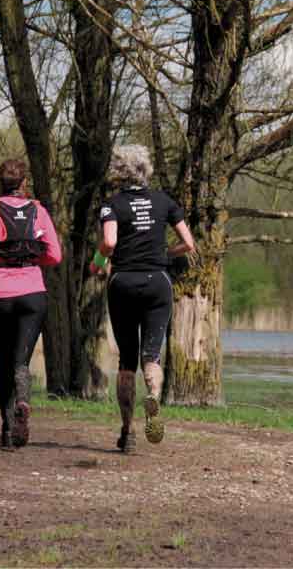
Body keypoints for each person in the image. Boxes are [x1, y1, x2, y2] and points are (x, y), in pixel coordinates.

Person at [90, 145, 195, 453]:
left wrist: (98, 262)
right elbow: (188, 244)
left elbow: (109, 242)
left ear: (120, 172)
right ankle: (153, 394)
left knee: (127, 360)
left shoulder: (112, 205)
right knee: (152, 356)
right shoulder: (164, 201)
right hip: (157, 283)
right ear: (146, 170)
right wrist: (165, 253)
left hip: (123, 282)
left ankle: (127, 430)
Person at [0, 159, 62, 450]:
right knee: (20, 362)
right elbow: (54, 256)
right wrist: (30, 259)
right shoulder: (38, 210)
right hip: (33, 295)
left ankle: (7, 430)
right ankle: (23, 400)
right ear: (24, 183)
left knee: (3, 362)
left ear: (0, 182)